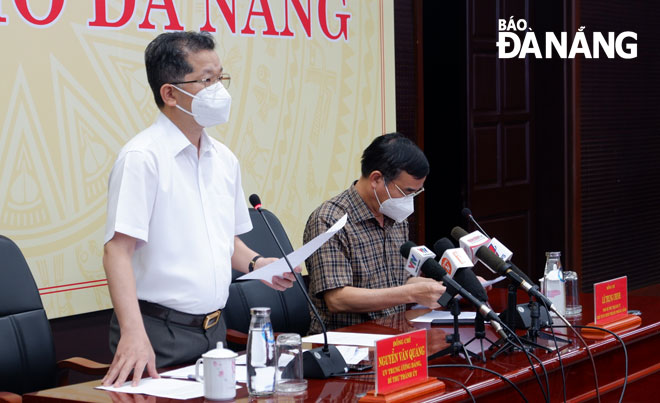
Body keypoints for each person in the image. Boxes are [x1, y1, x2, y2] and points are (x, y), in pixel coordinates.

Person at [102, 31, 296, 387]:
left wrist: (258, 264)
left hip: (215, 329)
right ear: (170, 93)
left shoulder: (224, 159)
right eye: (207, 80)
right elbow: (117, 250)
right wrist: (133, 332)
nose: (219, 90)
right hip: (157, 332)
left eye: (220, 77)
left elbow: (228, 241)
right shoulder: (142, 158)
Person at [303, 133, 447, 334]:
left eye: (416, 192)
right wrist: (410, 293)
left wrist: (449, 288)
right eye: (406, 192)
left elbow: (400, 281)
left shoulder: (395, 216)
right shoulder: (329, 220)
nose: (409, 200)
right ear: (376, 179)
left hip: (394, 337)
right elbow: (337, 299)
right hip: (346, 344)